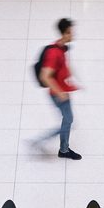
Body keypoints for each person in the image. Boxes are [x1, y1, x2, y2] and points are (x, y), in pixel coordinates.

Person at [36, 19, 82, 160]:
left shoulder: (61, 47)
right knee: (68, 119)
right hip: (58, 93)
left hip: (62, 91)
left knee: (68, 119)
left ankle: (63, 148)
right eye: (70, 32)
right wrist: (60, 92)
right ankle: (48, 143)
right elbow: (45, 76)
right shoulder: (54, 53)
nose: (73, 34)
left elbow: (61, 67)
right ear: (65, 33)